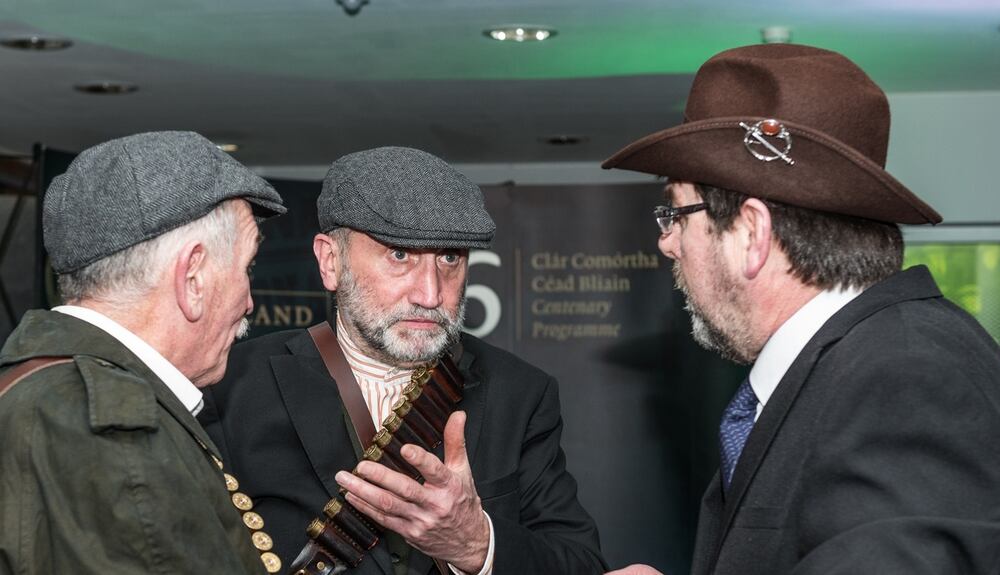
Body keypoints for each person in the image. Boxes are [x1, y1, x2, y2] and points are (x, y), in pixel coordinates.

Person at [601, 44, 1000, 574]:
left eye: (677, 215)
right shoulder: (862, 364)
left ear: (751, 233)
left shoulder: (905, 378)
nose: (667, 243)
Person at [200, 146, 606, 575]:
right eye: (399, 254)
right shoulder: (232, 385)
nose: (430, 294)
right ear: (330, 261)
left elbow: (582, 563)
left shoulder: (519, 393)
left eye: (449, 257)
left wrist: (477, 544)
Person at [0, 131, 288, 573]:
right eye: (246, 267)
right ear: (192, 279)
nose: (249, 302)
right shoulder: (115, 434)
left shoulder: (42, 388)